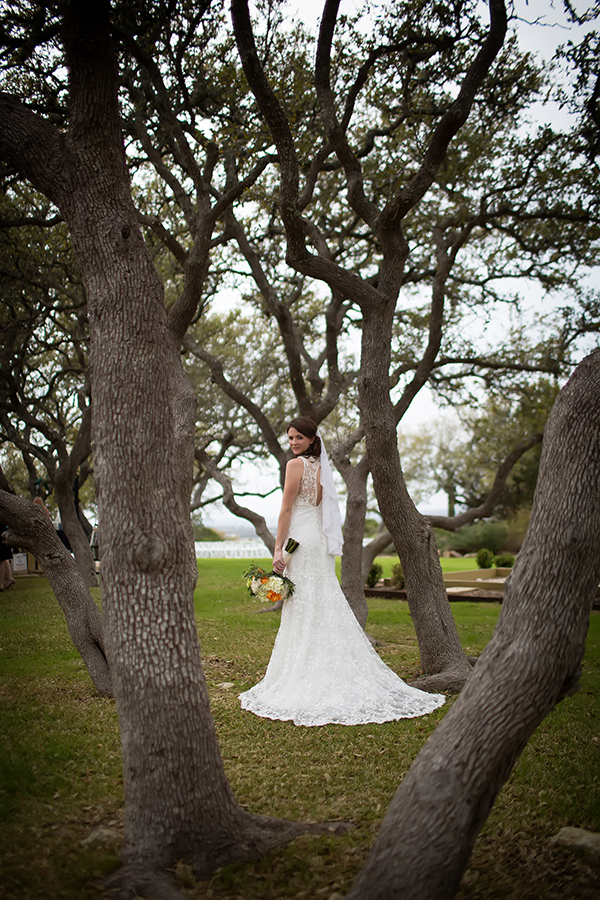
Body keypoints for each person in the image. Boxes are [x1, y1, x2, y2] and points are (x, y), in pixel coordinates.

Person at [239, 416, 445, 726]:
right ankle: (321, 665)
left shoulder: (295, 466)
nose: (293, 442)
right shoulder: (323, 469)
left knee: (303, 601)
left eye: (298, 438)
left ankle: (304, 671)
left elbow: (285, 508)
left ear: (311, 440)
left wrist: (279, 548)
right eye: (290, 438)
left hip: (299, 538)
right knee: (318, 597)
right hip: (316, 541)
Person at [0, 523, 15, 591]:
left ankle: (1, 584)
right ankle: (10, 578)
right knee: (3, 558)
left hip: (1, 534)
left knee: (1, 560)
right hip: (3, 534)